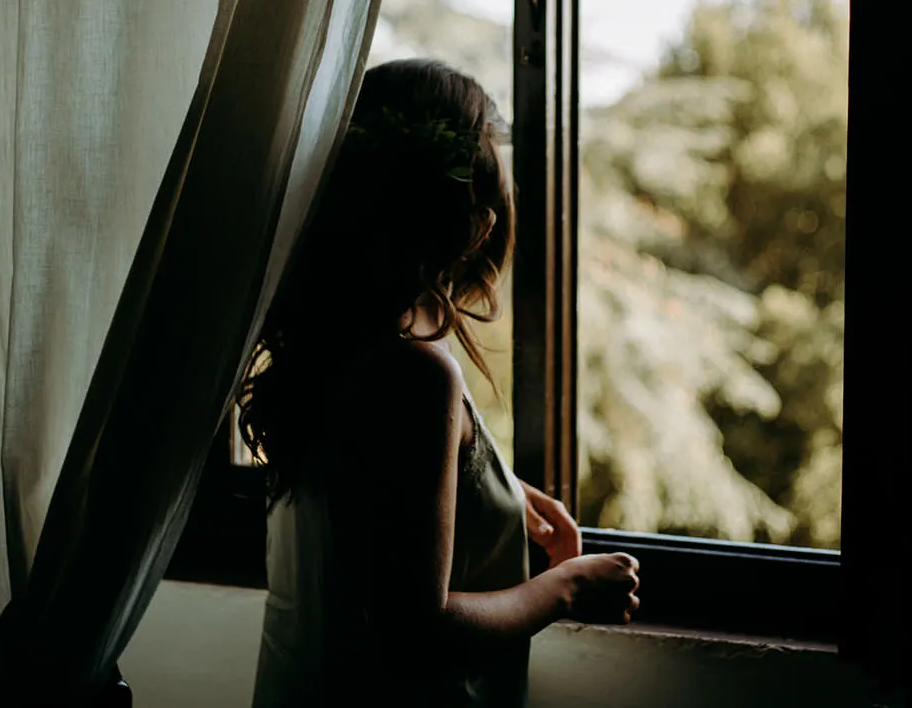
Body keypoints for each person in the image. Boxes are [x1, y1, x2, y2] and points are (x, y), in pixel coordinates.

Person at [240, 59, 641, 707]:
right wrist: (569, 586)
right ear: (457, 207)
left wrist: (501, 491)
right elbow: (414, 631)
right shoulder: (416, 376)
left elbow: (370, 506)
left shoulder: (327, 347)